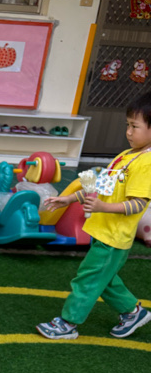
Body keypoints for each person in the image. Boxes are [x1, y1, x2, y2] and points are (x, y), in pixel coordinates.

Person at [37, 93, 151, 340]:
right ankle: (133, 312)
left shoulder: (146, 163)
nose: (128, 132)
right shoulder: (126, 156)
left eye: (134, 126)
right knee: (104, 278)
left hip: (113, 237)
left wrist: (102, 207)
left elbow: (138, 204)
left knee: (88, 279)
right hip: (102, 231)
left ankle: (68, 323)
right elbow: (100, 188)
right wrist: (69, 199)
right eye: (127, 125)